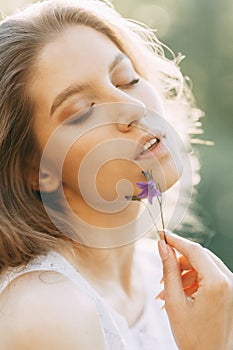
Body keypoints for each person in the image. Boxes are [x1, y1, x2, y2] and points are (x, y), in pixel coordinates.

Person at [0, 0, 232, 349]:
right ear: (33, 169)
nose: (134, 108)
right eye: (81, 112)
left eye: (126, 80)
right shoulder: (45, 311)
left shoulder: (161, 273)